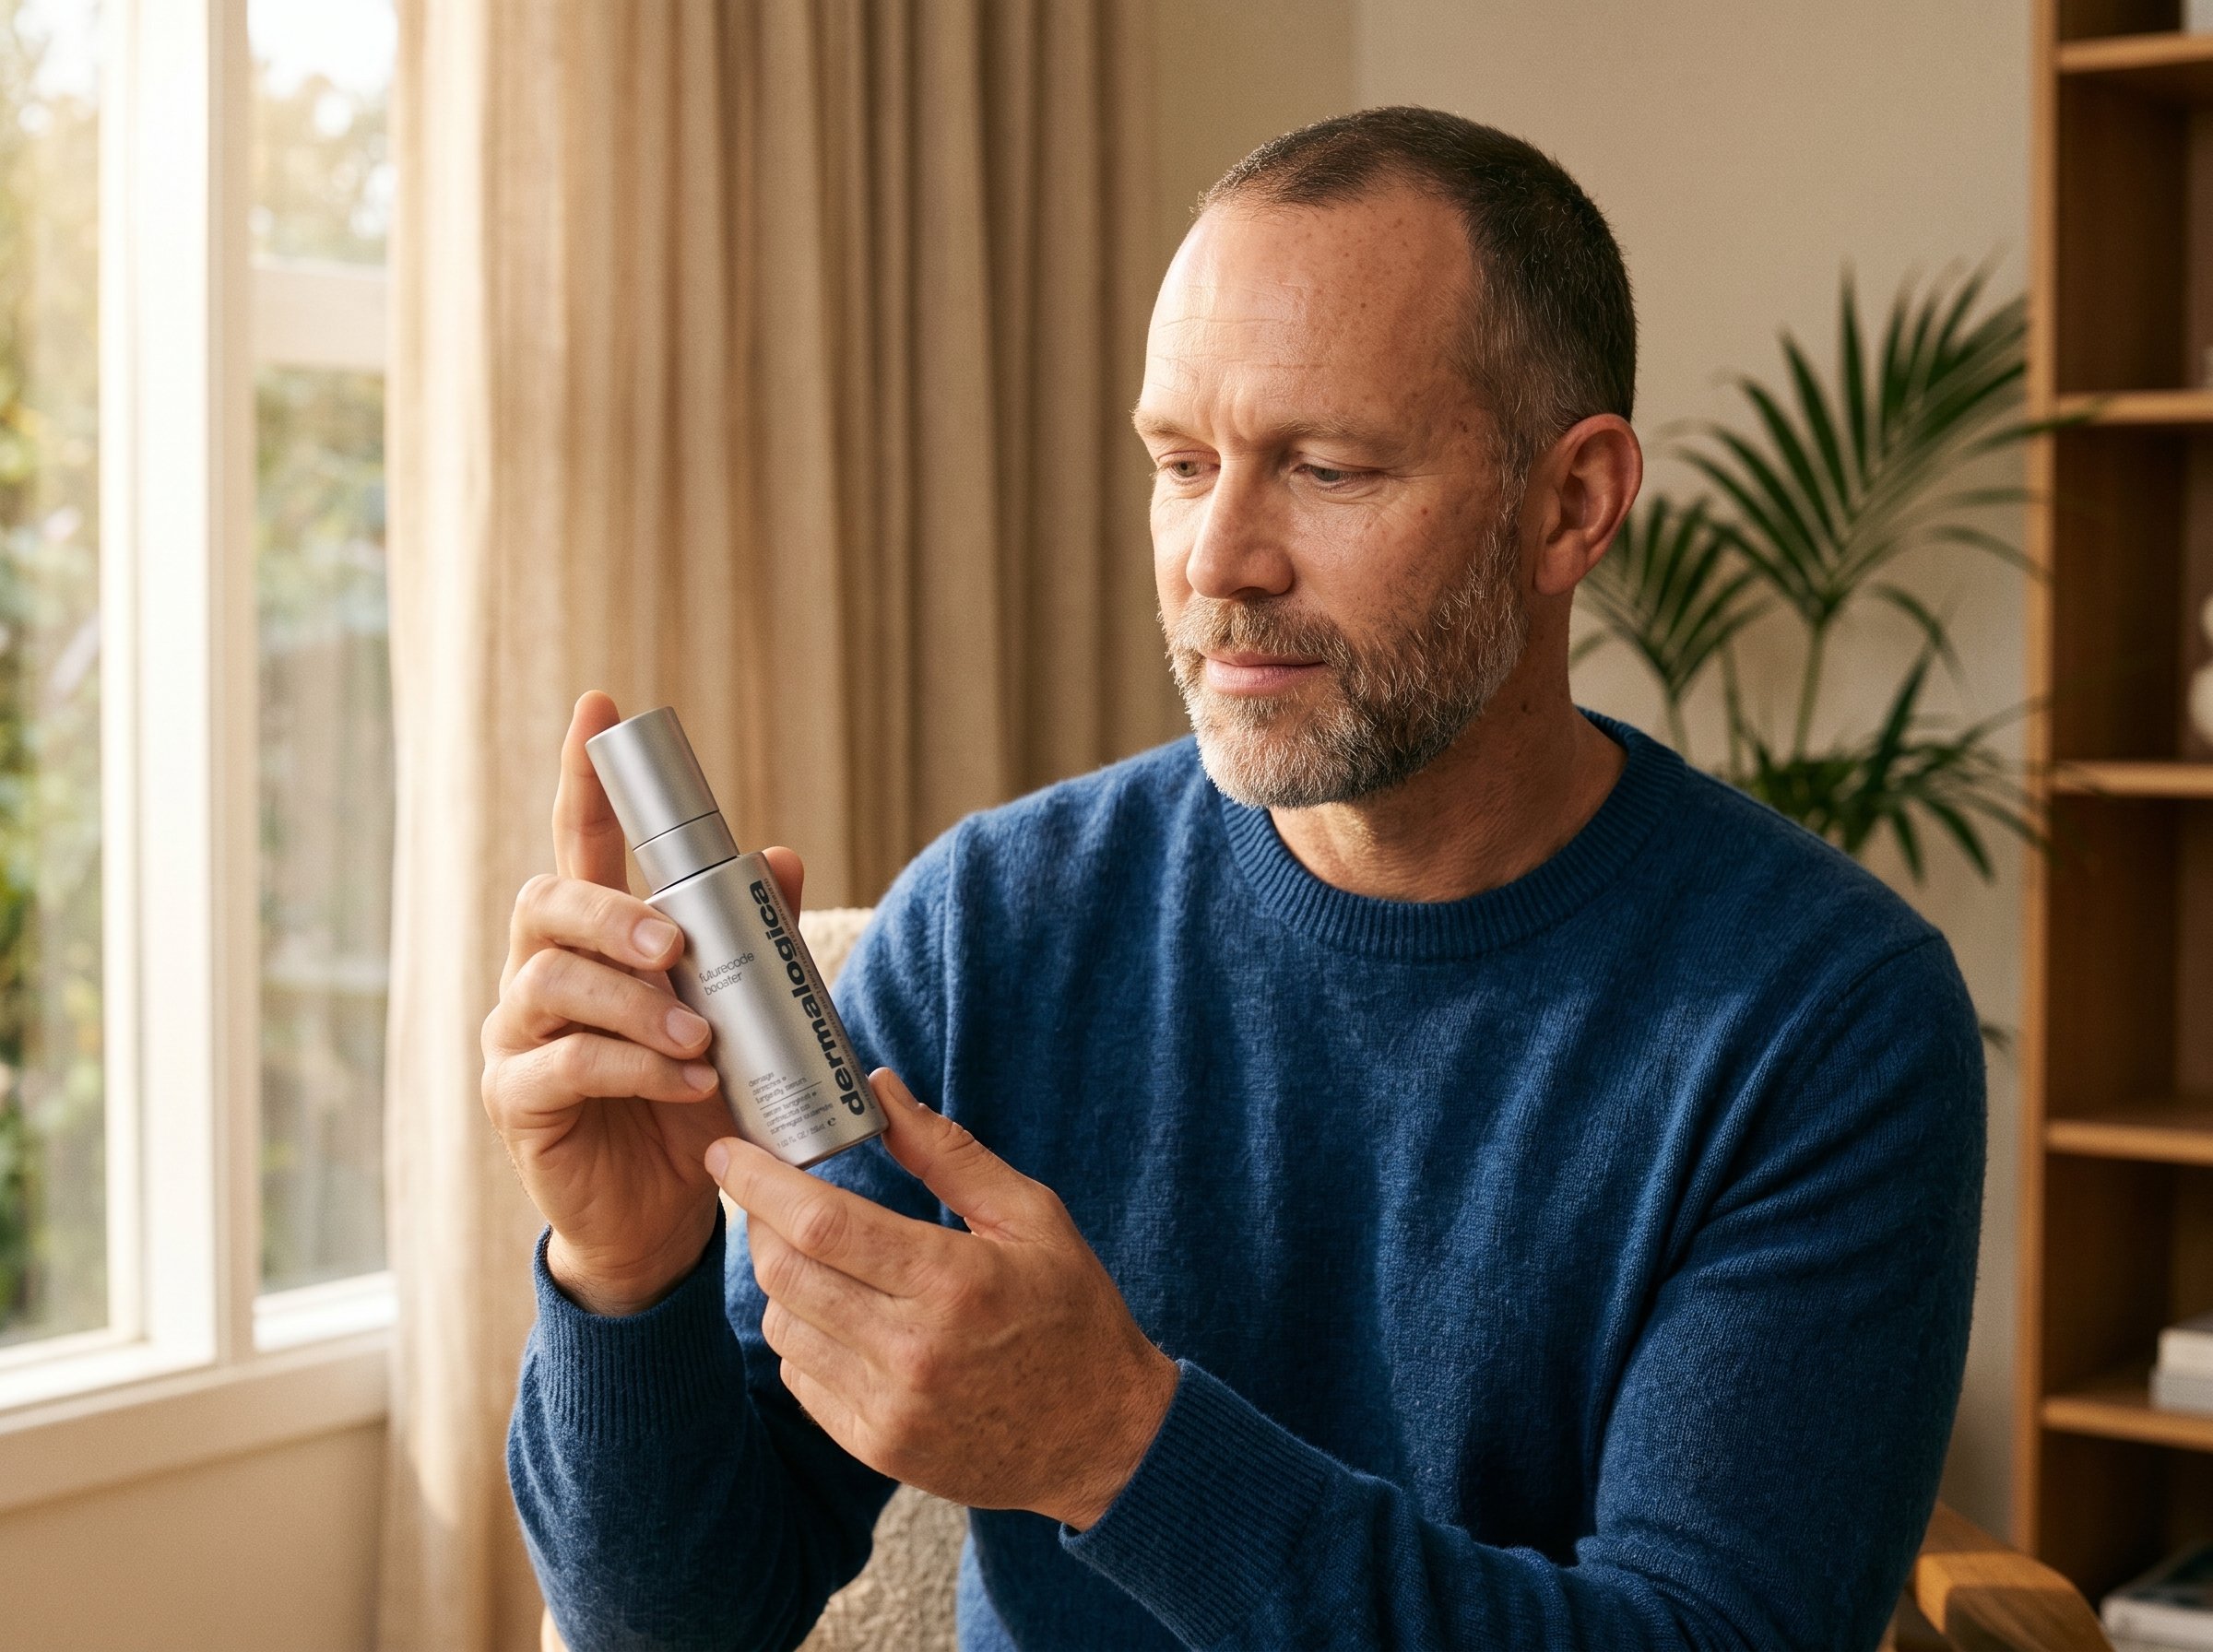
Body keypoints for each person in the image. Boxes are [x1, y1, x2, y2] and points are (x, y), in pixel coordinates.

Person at [485, 106, 1982, 1651]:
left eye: (1325, 469)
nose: (1218, 559)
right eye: (1181, 463)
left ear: (1571, 505)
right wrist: (627, 1275)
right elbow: (683, 1619)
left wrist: (1118, 1450)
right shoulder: (994, 926)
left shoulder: (1822, 1019)